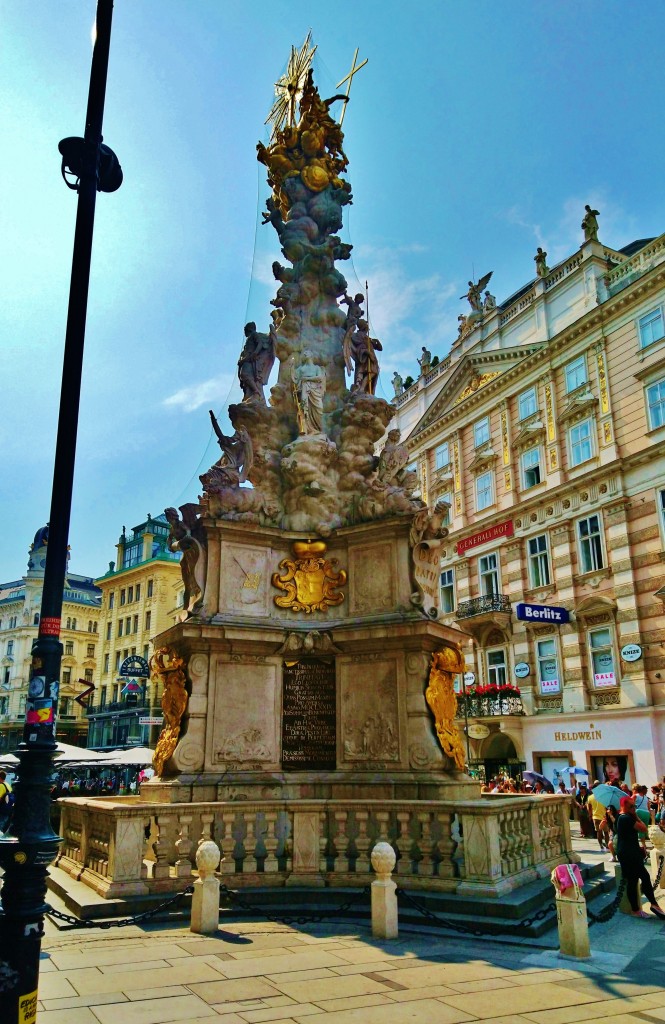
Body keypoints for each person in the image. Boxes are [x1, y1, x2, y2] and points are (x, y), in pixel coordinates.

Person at [615, 795, 665, 919]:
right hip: (628, 853)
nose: (634, 808)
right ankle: (645, 907)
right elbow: (643, 828)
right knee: (639, 878)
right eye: (631, 806)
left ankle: (647, 906)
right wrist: (635, 815)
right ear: (624, 806)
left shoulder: (622, 817)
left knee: (637, 879)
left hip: (630, 852)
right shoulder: (626, 818)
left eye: (634, 806)